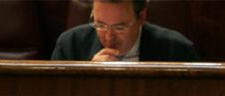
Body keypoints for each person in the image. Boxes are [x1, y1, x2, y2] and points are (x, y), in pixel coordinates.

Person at [51, 0, 199, 62]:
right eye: (100, 25)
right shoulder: (69, 45)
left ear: (142, 17)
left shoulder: (178, 51)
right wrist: (90, 78)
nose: (109, 37)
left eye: (119, 28)